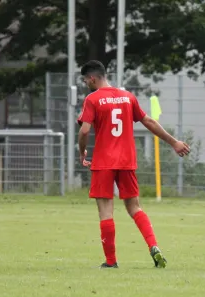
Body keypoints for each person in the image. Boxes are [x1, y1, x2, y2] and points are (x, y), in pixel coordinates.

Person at [77, 60, 190, 269]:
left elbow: (84, 131)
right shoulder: (127, 97)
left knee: (105, 211)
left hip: (103, 162)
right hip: (127, 161)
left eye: (86, 80)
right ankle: (153, 245)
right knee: (135, 207)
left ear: (92, 78)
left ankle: (111, 262)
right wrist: (174, 142)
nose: (87, 84)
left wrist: (82, 150)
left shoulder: (92, 99)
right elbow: (148, 121)